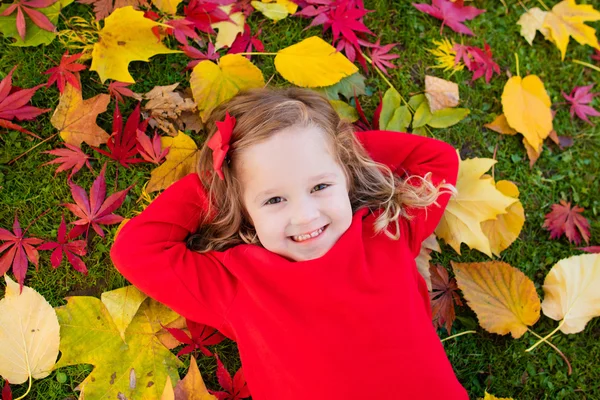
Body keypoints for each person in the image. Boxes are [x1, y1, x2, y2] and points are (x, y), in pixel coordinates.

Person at [110, 87, 468, 399]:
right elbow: (136, 249)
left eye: (320, 186)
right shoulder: (236, 283)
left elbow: (437, 159)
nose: (305, 216)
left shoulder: (387, 232)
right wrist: (222, 184)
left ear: (346, 175)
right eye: (274, 200)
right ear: (245, 209)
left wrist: (331, 148)